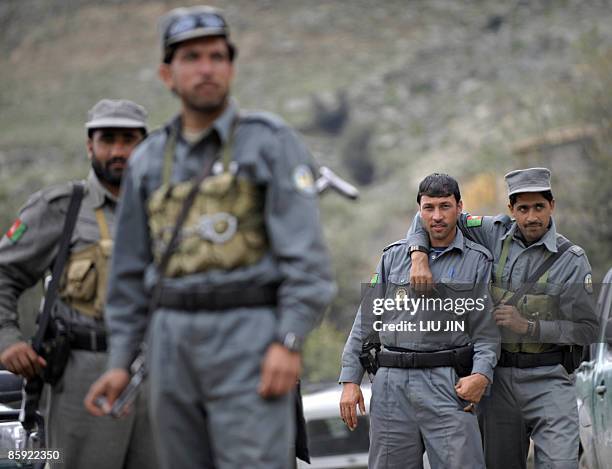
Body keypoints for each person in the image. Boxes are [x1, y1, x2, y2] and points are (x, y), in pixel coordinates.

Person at [84, 6, 335, 469]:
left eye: (217, 56)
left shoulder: (270, 144)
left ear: (231, 66)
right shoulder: (148, 160)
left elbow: (308, 263)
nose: (206, 68)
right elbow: (127, 275)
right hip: (169, 346)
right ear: (167, 73)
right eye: (192, 57)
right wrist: (120, 361)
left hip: (250, 339)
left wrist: (290, 340)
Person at [0, 99, 158, 468]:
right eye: (108, 139)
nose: (119, 151)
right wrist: (7, 338)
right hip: (84, 373)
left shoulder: (168, 208)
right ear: (90, 145)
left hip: (160, 375)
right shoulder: (62, 208)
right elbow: (4, 271)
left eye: (129, 140)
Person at [406, 167, 598, 469]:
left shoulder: (572, 260)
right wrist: (418, 254)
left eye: (539, 207)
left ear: (552, 205)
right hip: (496, 384)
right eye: (523, 208)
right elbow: (428, 216)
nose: (531, 217)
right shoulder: (491, 231)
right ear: (511, 209)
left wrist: (530, 327)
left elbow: (587, 330)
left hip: (550, 379)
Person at [339, 173, 499, 469]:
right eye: (429, 207)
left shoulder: (478, 261)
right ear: (419, 210)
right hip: (390, 387)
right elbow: (365, 323)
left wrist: (481, 375)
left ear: (459, 207)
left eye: (445, 206)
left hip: (449, 385)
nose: (437, 216)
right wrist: (350, 380)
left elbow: (487, 332)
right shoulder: (393, 258)